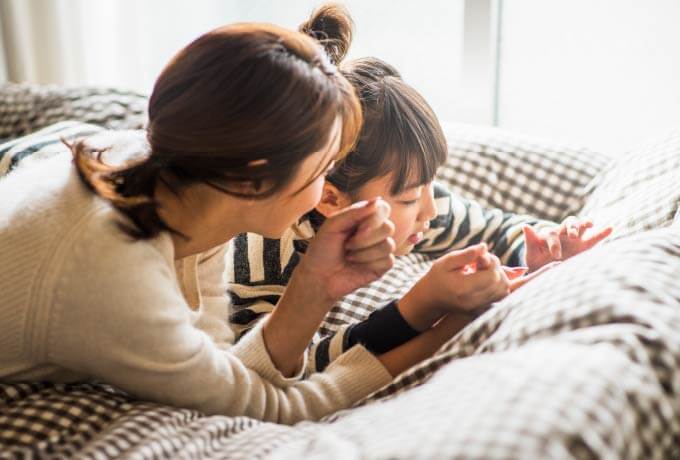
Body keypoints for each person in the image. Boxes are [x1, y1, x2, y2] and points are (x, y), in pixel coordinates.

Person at [0, 20, 479, 425]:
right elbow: (267, 408)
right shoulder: (116, 277)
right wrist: (447, 333)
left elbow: (225, 367)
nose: (323, 193)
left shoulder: (186, 187)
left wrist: (315, 284)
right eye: (320, 171)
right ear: (254, 182)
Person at [229, 5, 613, 373]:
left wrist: (536, 247)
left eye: (430, 186)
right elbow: (279, 368)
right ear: (331, 198)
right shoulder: (266, 253)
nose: (430, 212)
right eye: (410, 198)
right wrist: (416, 310)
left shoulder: (426, 210)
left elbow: (496, 228)